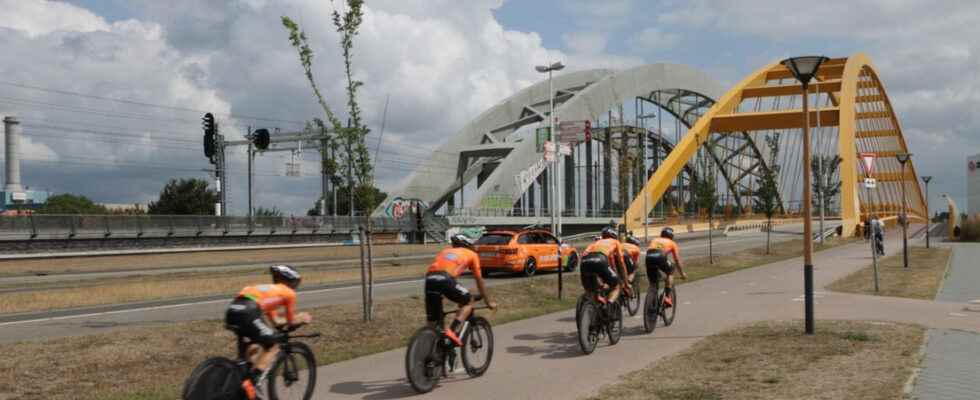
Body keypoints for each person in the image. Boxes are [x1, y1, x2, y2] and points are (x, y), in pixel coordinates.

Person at [225, 265, 312, 396]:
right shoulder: (289, 293)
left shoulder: (267, 291)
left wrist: (285, 322)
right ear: (291, 281)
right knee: (273, 345)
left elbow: (276, 322)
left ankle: (241, 378)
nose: (296, 286)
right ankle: (251, 383)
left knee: (254, 344)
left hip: (233, 311)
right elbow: (290, 322)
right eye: (296, 283)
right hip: (249, 312)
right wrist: (301, 318)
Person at [425, 234, 497, 346]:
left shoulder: (445, 251)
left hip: (430, 279)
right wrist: (488, 302)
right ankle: (453, 331)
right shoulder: (472, 255)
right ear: (468, 245)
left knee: (433, 323)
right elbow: (479, 282)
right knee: (469, 301)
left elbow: (449, 280)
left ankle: (431, 352)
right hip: (445, 279)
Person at [580, 227, 630, 304]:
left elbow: (583, 255)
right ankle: (608, 304)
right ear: (614, 236)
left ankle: (592, 305)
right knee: (616, 287)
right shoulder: (615, 242)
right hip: (600, 260)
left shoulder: (595, 243)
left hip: (584, 262)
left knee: (592, 289)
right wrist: (626, 284)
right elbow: (621, 263)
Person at [645, 227, 687, 308]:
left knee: (653, 283)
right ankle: (667, 297)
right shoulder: (672, 243)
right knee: (671, 271)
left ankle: (652, 301)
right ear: (671, 236)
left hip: (649, 257)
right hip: (660, 256)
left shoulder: (655, 240)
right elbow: (677, 260)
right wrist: (682, 273)